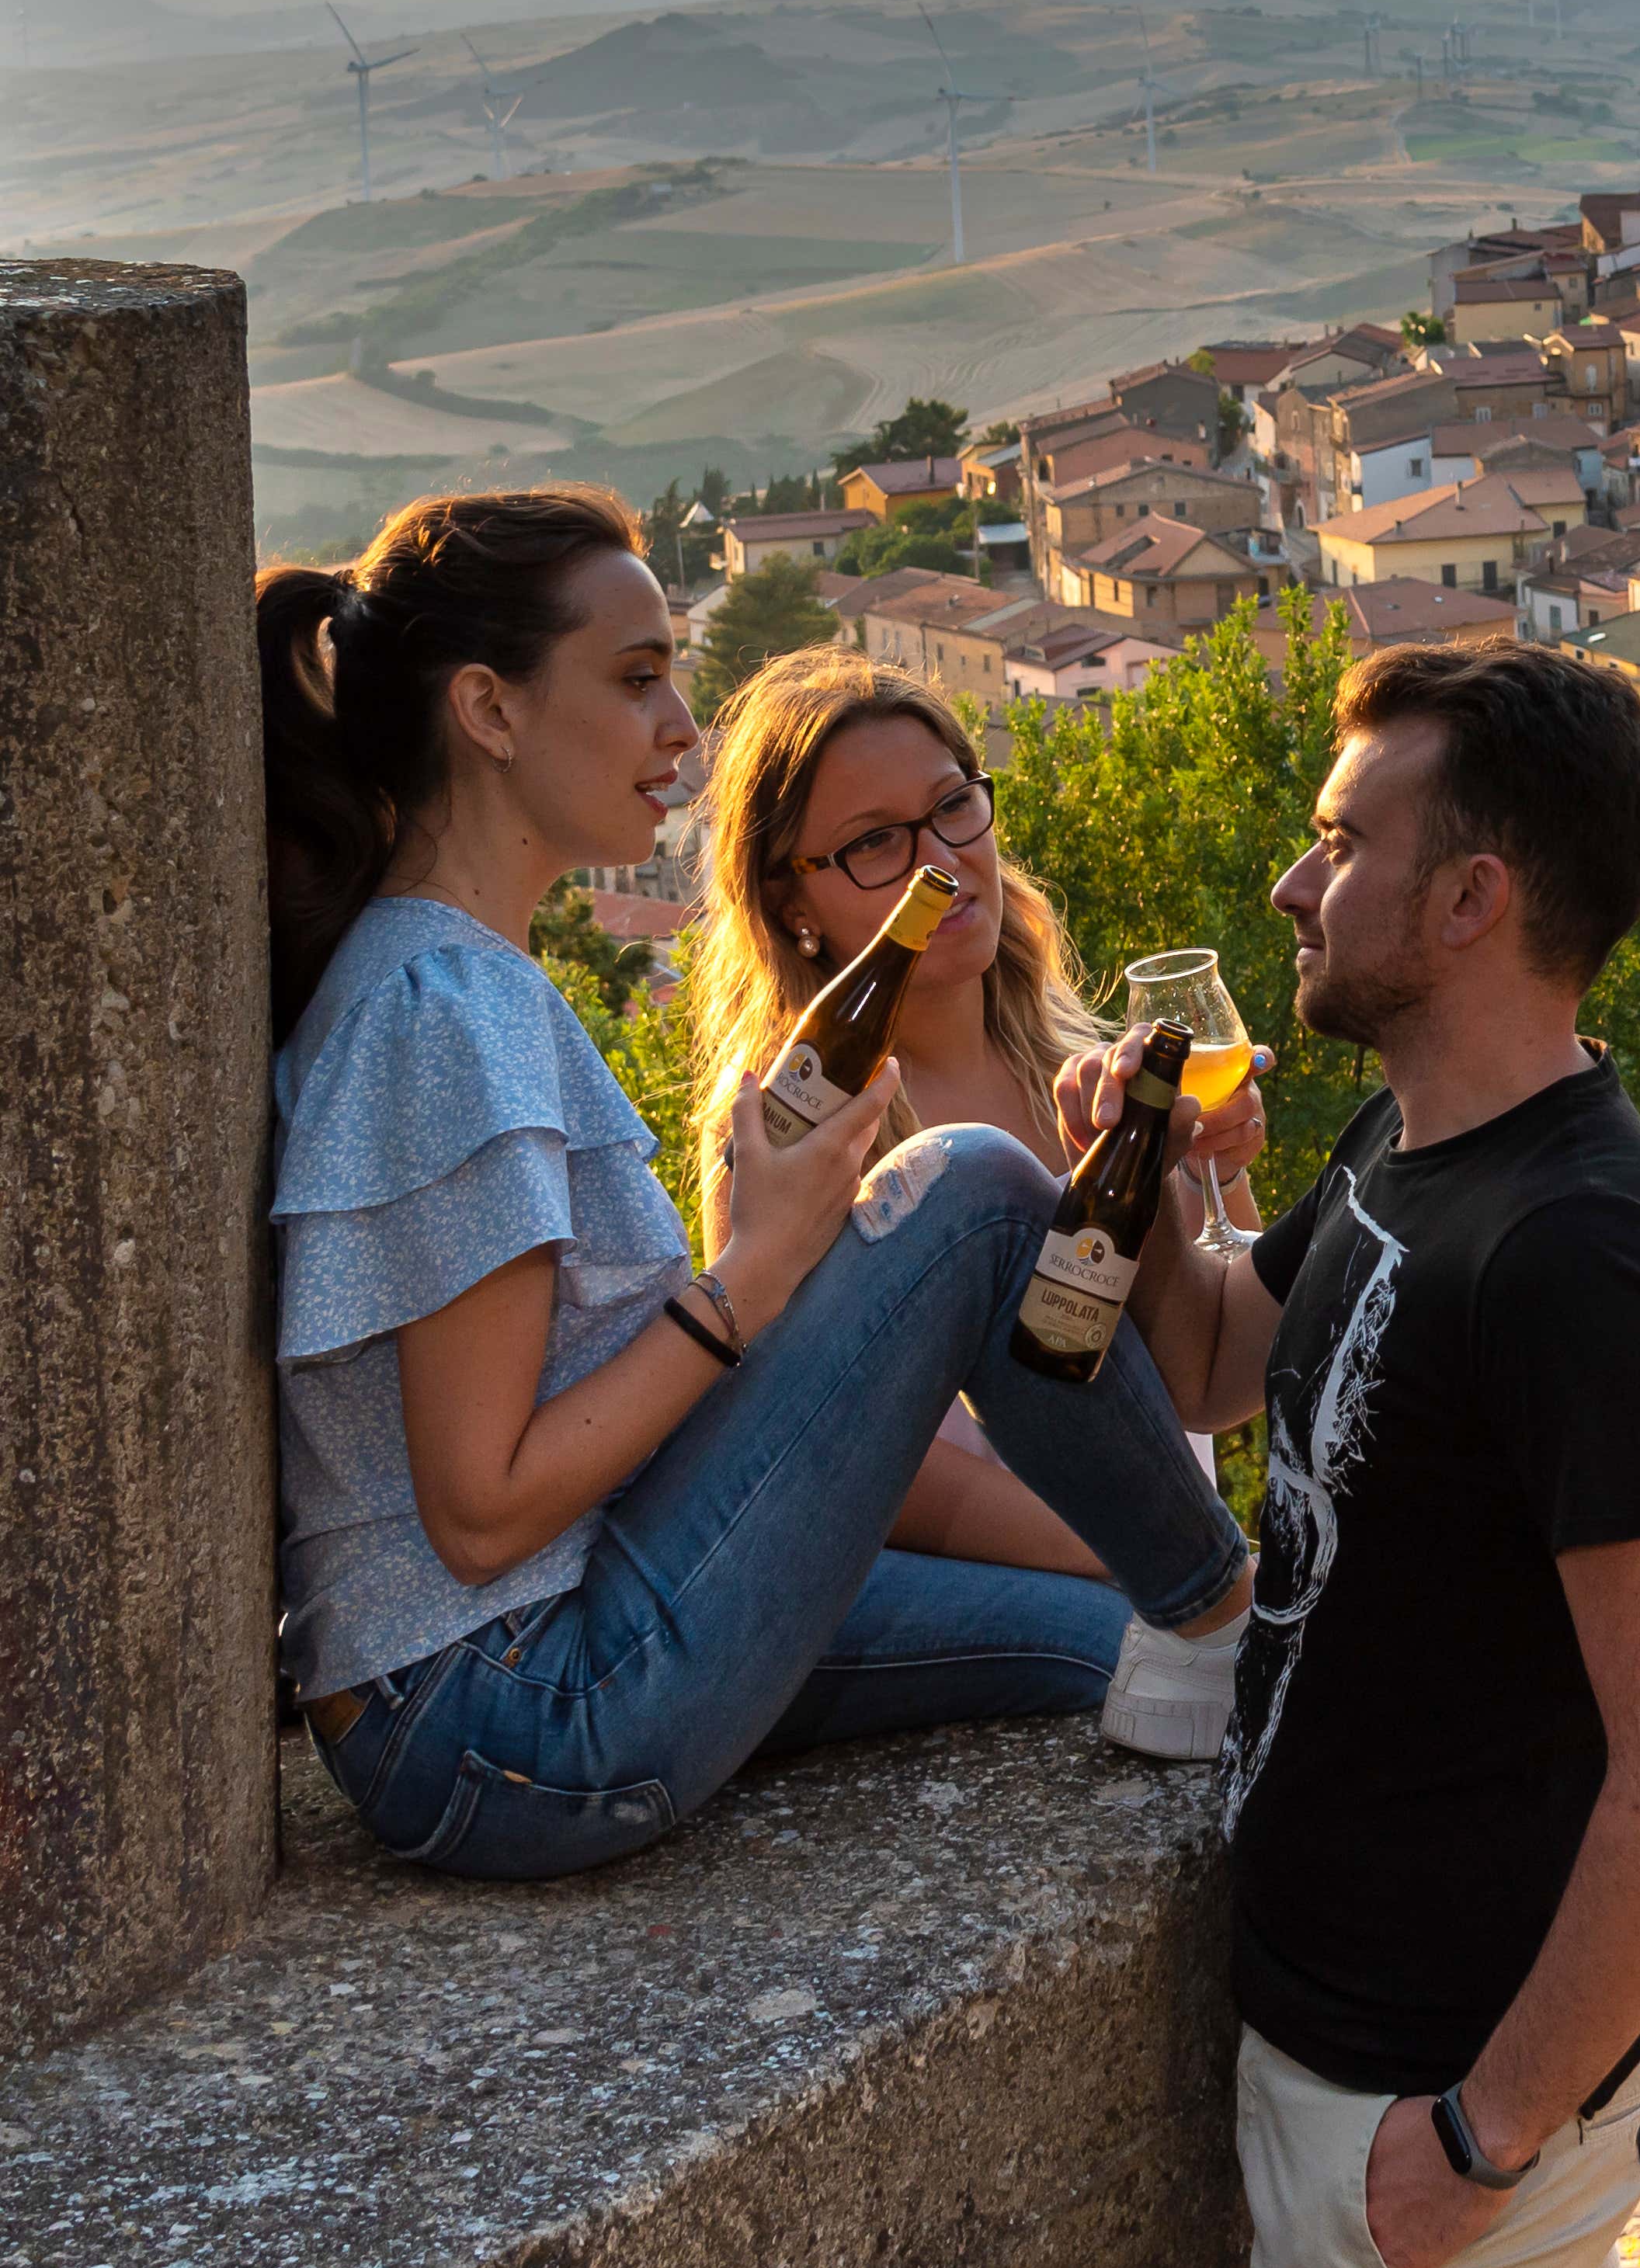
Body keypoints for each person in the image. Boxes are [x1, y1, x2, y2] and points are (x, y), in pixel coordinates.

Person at [259, 488, 1253, 1884]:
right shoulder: (445, 1010)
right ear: (488, 710)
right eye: (636, 679)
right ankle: (1238, 1604)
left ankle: (1218, 1628)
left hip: (549, 1646)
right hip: (503, 1711)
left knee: (1128, 1657)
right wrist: (752, 1276)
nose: (682, 727)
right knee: (973, 1188)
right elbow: (478, 1513)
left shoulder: (465, 981)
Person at [1069, 639, 1640, 2268]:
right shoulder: (1414, 1138)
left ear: (1470, 899)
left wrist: (1476, 2139)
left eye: (1340, 841)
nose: (1293, 883)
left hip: (1434, 2101)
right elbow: (1218, 1359)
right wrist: (1133, 1181)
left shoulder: (1578, 1256)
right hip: (1402, 2076)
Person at [686, 644, 1265, 1755]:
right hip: (1025, 1590)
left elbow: (1192, 1382)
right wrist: (1147, 1555)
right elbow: (840, 1457)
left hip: (1164, 1571)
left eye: (953, 807)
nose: (941, 863)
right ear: (790, 901)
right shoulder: (790, 1128)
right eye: (875, 843)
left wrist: (1217, 1172)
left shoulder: (1085, 1064)